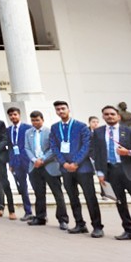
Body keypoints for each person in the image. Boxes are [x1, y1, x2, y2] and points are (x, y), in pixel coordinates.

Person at [93, 105, 131, 245]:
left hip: (129, 172)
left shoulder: (130, 131)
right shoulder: (98, 132)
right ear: (103, 116)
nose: (109, 116)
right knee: (120, 204)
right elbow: (97, 153)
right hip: (111, 173)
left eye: (112, 114)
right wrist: (100, 173)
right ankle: (129, 231)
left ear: (118, 116)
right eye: (106, 114)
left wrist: (129, 152)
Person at [49, 100, 103, 238]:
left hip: (82, 168)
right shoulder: (55, 128)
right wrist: (64, 163)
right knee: (73, 198)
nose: (61, 111)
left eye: (63, 108)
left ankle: (97, 226)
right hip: (66, 169)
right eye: (58, 109)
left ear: (68, 109)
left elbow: (86, 145)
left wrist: (76, 162)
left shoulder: (81, 126)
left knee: (90, 197)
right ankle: (80, 224)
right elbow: (54, 146)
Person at [24, 110, 69, 230]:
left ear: (42, 120)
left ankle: (62, 219)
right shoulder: (28, 132)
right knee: (39, 194)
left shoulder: (50, 131)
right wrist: (34, 160)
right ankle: (40, 217)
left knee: (57, 194)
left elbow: (53, 149)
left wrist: (42, 159)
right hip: (35, 167)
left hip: (49, 166)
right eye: (33, 120)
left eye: (37, 120)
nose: (35, 122)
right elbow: (27, 148)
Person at [6, 107, 34, 221]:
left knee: (36, 186)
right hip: (16, 162)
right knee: (22, 188)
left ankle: (41, 213)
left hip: (28, 161)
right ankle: (28, 211)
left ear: (19, 115)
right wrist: (11, 163)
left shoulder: (28, 128)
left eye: (15, 114)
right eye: (11, 115)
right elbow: (10, 147)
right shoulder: (9, 130)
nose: (13, 117)